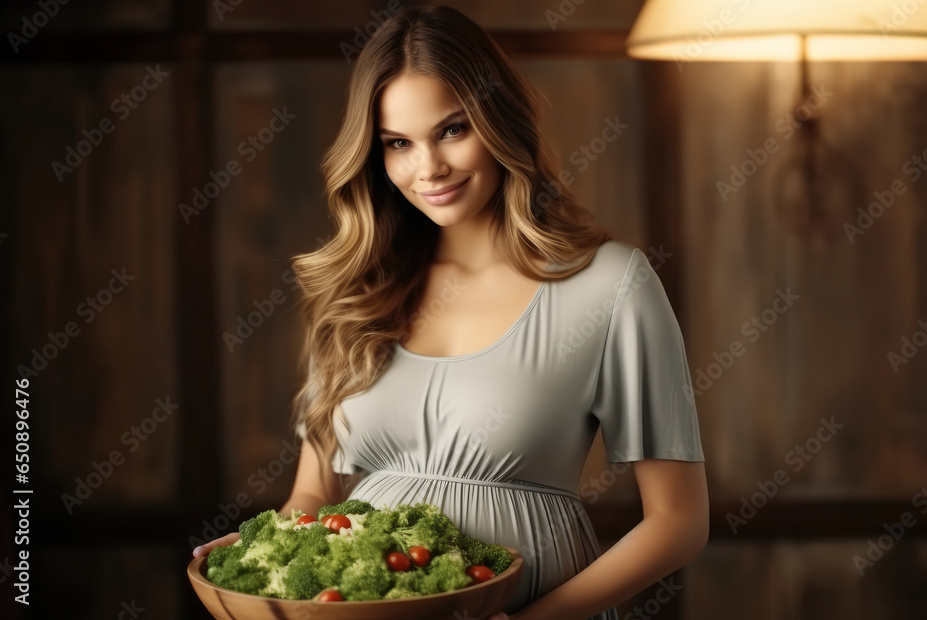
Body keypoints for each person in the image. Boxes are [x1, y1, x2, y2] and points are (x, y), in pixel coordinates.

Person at [192, 2, 709, 618]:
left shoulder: (609, 283)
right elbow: (314, 490)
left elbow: (679, 521)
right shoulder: (357, 290)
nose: (428, 167)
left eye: (453, 129)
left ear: (499, 122)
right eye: (398, 144)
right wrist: (263, 552)